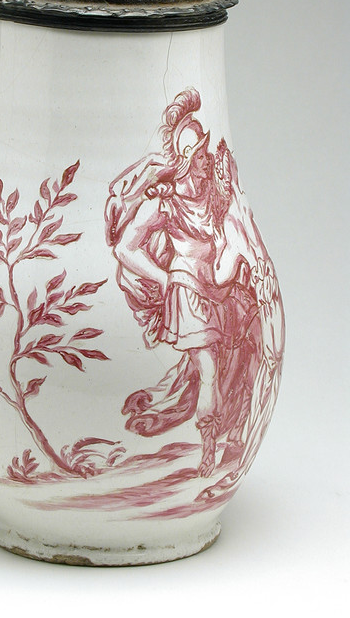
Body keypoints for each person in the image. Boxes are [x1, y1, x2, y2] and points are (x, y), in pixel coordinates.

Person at [105, 88, 262, 477]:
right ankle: (207, 449)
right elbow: (125, 248)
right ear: (188, 160)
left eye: (207, 153)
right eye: (202, 155)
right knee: (208, 371)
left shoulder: (212, 194)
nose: (207, 161)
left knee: (247, 345)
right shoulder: (165, 203)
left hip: (219, 288)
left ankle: (232, 435)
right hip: (190, 295)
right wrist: (165, 280)